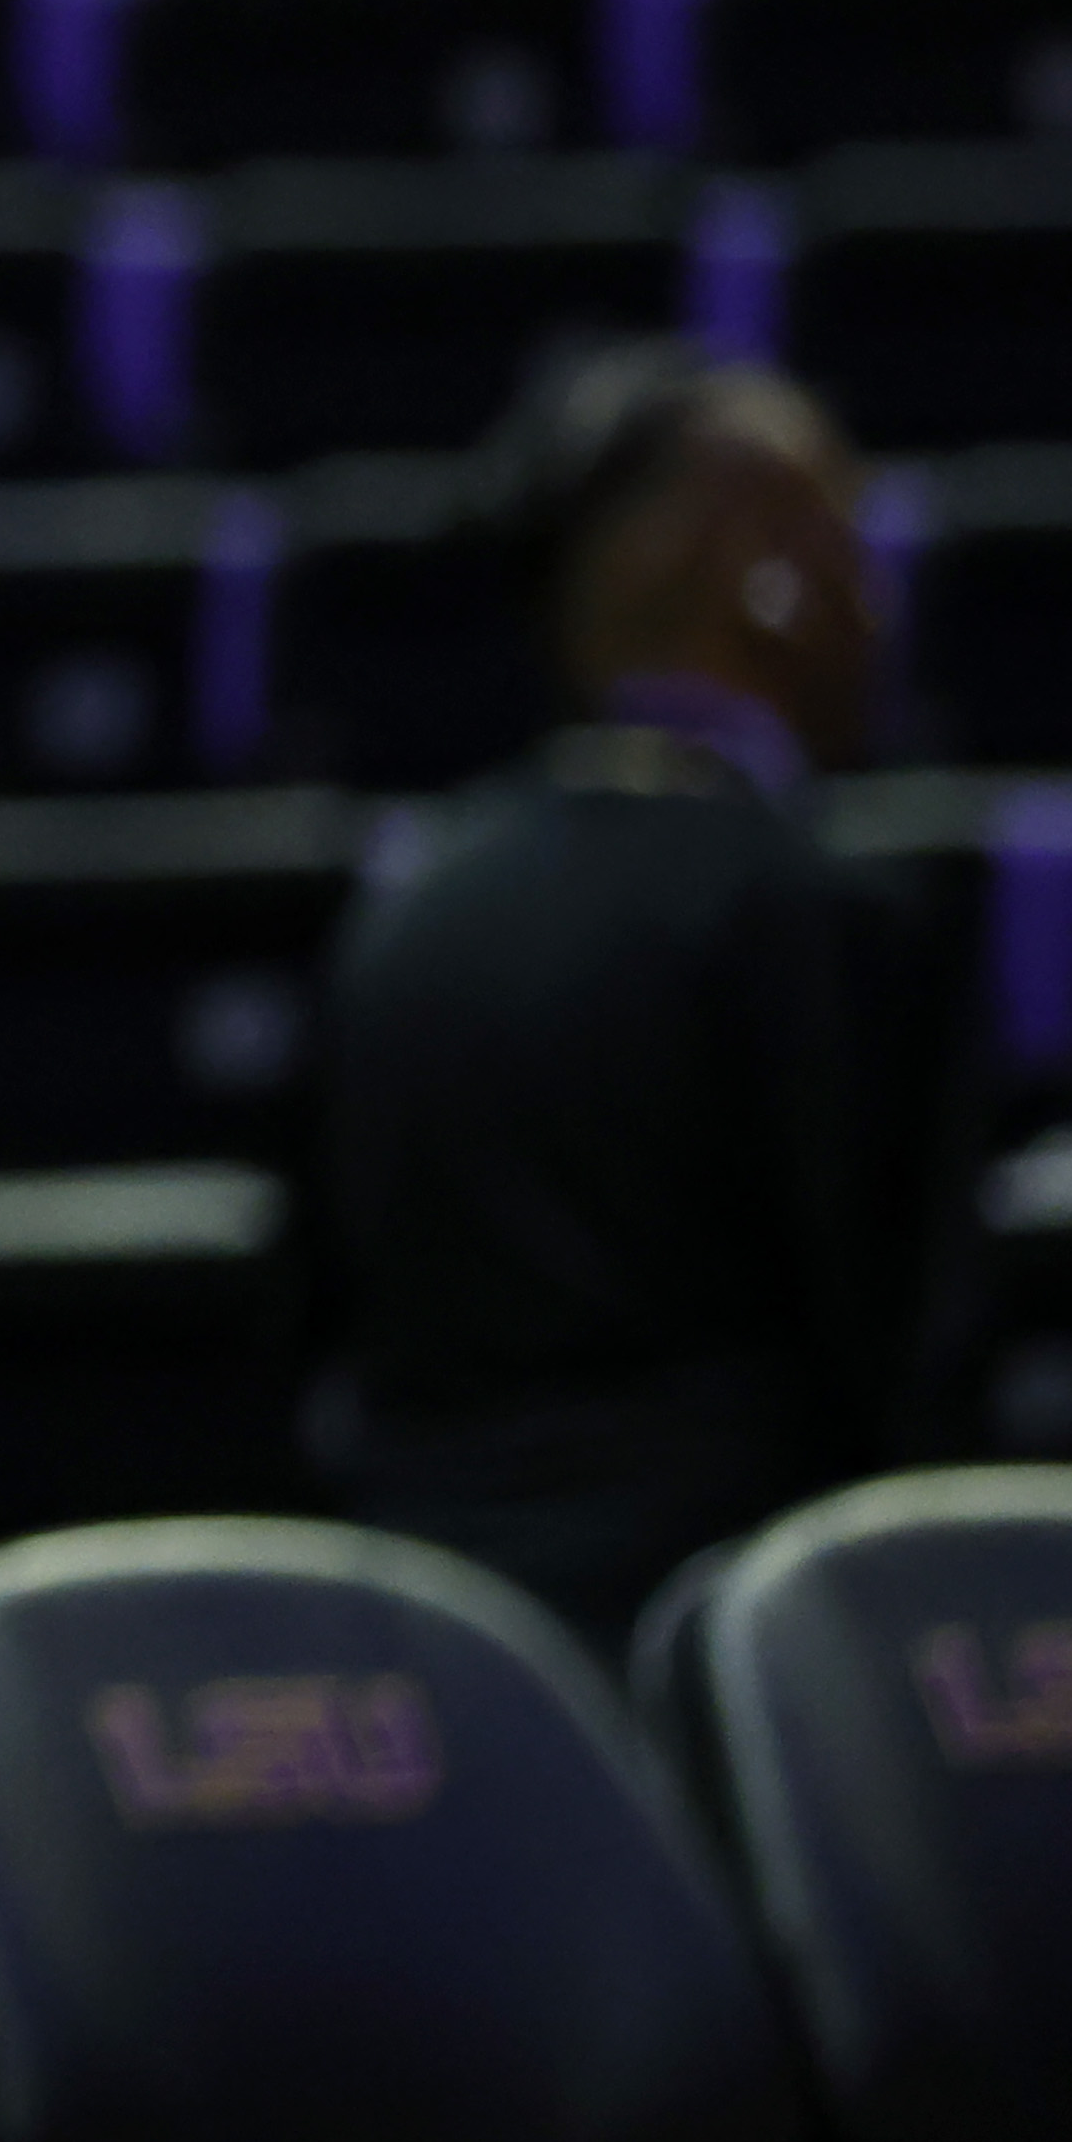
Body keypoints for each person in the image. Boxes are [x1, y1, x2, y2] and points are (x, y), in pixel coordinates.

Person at [306, 341, 977, 1644]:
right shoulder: (825, 917)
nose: (878, 604)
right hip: (734, 1663)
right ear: (762, 575)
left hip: (444, 1669)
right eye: (846, 542)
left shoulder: (403, 915)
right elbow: (896, 1389)